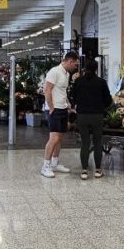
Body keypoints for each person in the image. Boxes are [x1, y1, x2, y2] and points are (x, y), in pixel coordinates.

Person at [71, 58, 113, 180]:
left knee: (85, 143)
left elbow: (72, 97)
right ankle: (98, 170)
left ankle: (84, 171)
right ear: (96, 69)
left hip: (82, 116)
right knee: (97, 143)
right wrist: (101, 106)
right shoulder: (101, 82)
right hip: (97, 116)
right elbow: (108, 100)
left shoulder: (78, 81)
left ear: (84, 68)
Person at [41, 50, 80, 178]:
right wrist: (51, 108)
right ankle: (45, 166)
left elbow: (62, 91)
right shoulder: (54, 72)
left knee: (60, 138)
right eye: (75, 64)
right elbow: (47, 90)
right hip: (55, 109)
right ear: (70, 61)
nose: (76, 67)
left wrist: (68, 105)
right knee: (54, 138)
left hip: (63, 109)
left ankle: (55, 163)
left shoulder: (66, 74)